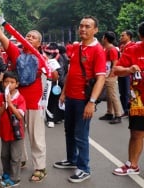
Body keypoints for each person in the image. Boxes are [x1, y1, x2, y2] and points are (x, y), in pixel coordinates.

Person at [0, 9, 54, 182]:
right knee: (17, 133)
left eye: (33, 37)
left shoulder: (43, 58)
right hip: (16, 102)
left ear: (39, 43)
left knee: (36, 137)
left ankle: (40, 167)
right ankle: (19, 160)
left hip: (35, 102)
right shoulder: (16, 53)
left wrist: (50, 70)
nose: (29, 38)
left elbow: (54, 76)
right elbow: (1, 36)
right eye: (27, 36)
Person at [53, 16, 106, 183]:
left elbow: (101, 79)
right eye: (81, 26)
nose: (83, 29)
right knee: (69, 131)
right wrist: (63, 93)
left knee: (81, 134)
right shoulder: (76, 47)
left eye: (87, 26)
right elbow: (71, 71)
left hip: (84, 100)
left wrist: (91, 102)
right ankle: (72, 159)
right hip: (71, 97)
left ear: (95, 30)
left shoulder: (98, 50)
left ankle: (84, 168)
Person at [112, 21, 144, 176]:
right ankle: (132, 165)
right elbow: (116, 70)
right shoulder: (133, 50)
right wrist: (129, 69)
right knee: (136, 133)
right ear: (141, 36)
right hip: (139, 101)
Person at [0, 71, 26, 187]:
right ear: (3, 83)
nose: (9, 84)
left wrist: (10, 103)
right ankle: (6, 173)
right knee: (4, 155)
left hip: (17, 133)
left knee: (15, 157)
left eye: (12, 82)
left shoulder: (21, 98)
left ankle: (15, 178)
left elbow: (19, 116)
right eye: (6, 81)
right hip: (4, 131)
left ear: (17, 84)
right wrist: (5, 103)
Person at [99, 31, 123, 124]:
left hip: (110, 75)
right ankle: (109, 113)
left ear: (105, 38)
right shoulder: (106, 48)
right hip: (106, 74)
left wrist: (111, 75)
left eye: (103, 37)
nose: (101, 39)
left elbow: (115, 63)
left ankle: (118, 115)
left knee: (112, 95)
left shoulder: (112, 49)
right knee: (109, 95)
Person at [44, 43, 66, 128]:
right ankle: (55, 118)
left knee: (53, 101)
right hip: (59, 83)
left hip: (56, 83)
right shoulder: (62, 57)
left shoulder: (55, 59)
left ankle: (52, 119)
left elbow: (60, 72)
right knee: (55, 100)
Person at [118, 30, 136, 117]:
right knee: (122, 92)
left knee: (128, 92)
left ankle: (131, 109)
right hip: (121, 71)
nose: (121, 37)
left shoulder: (133, 46)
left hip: (129, 73)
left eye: (122, 35)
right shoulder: (121, 46)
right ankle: (125, 110)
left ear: (128, 36)